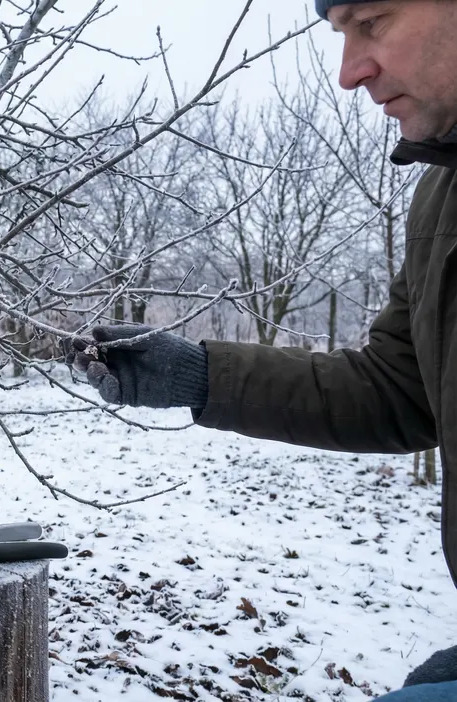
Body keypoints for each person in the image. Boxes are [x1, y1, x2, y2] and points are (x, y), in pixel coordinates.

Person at [68, 1, 457, 699]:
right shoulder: (442, 195)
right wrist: (198, 375)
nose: (349, 73)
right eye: (339, 36)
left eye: (371, 21)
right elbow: (403, 390)